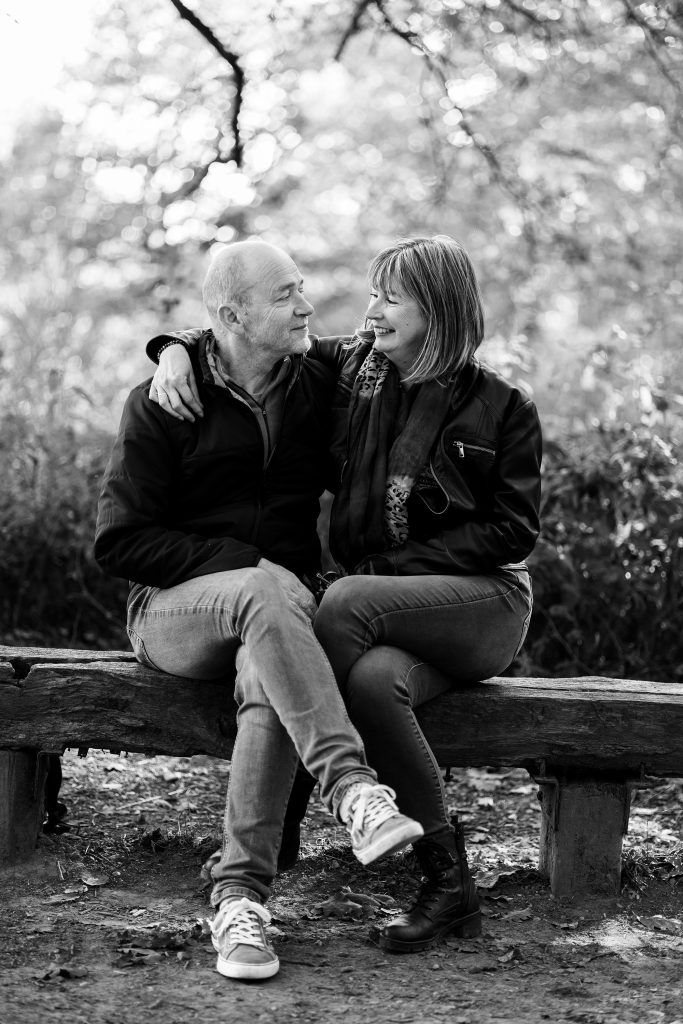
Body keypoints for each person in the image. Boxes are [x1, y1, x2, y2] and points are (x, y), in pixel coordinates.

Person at [149, 234, 543, 955]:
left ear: (438, 310)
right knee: (369, 683)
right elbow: (243, 333)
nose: (372, 312)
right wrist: (173, 347)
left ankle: (283, 822)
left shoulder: (502, 406)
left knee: (335, 606)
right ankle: (449, 885)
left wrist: (388, 572)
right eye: (372, 295)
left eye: (390, 299)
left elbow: (511, 531)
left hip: (480, 606)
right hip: (384, 619)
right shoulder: (352, 370)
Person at [94, 239, 424, 983]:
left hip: (274, 625)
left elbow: (398, 337)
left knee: (266, 672)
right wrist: (249, 566)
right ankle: (351, 787)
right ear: (234, 316)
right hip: (172, 614)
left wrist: (174, 342)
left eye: (302, 287)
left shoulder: (318, 375)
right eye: (285, 295)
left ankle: (240, 902)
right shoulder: (161, 403)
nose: (307, 305)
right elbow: (120, 543)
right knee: (266, 592)